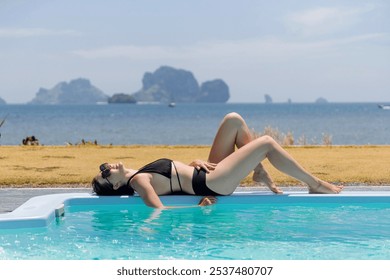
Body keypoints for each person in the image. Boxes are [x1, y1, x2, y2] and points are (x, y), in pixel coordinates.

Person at [92, 112, 343, 208]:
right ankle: (314, 183)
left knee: (233, 120)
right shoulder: (139, 183)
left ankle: (257, 170)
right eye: (105, 174)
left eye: (103, 167)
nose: (107, 167)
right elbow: (158, 212)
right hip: (213, 183)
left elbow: (171, 179)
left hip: (205, 173)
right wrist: (197, 209)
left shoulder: (140, 173)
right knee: (266, 142)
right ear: (115, 185)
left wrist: (191, 163)